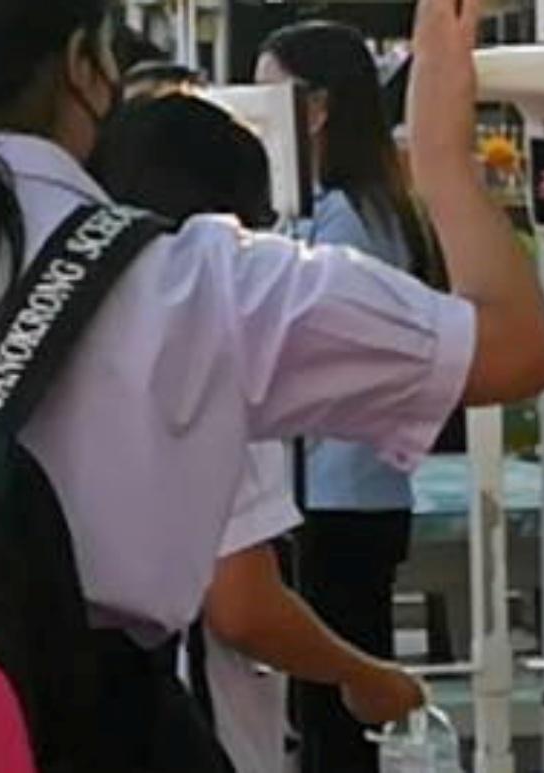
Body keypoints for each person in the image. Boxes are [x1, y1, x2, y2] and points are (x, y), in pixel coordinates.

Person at [0, 0, 544, 768]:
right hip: (108, 733)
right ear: (85, 65)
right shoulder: (200, 284)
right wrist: (439, 156)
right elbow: (515, 349)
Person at [91, 92, 422, 773]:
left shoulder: (71, 342)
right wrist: (365, 674)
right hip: (196, 734)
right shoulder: (208, 352)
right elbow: (242, 605)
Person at [254, 21, 446, 772]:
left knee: (337, 711)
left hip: (338, 496)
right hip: (341, 490)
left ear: (317, 108)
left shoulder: (348, 219)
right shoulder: (345, 207)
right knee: (331, 707)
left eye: (269, 95)